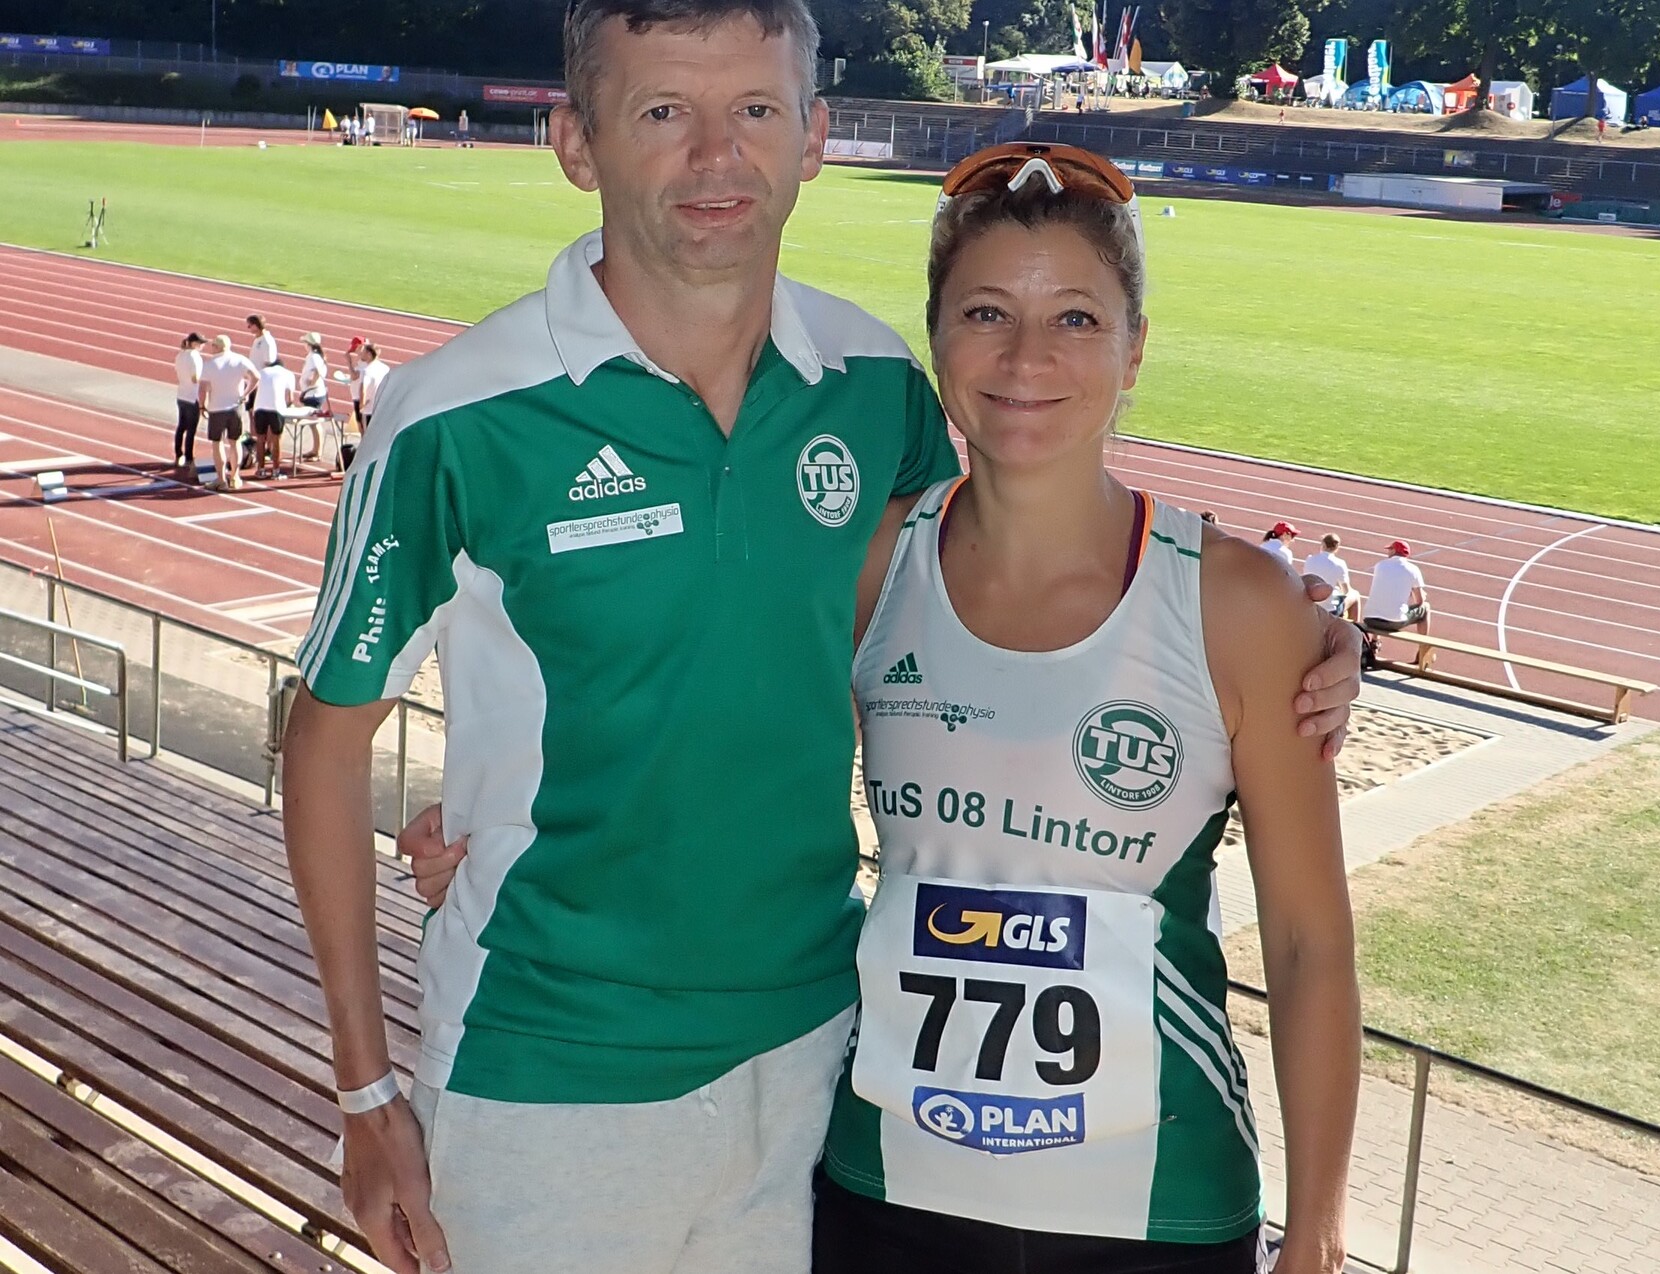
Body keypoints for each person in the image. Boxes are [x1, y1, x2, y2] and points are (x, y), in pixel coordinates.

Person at [281, 9, 1366, 1273]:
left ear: (815, 139)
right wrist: (367, 1087)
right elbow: (328, 732)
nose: (714, 158)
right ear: (576, 143)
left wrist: (1310, 629)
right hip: (550, 1074)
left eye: (754, 110)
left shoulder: (870, 387)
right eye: (662, 113)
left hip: (819, 1064)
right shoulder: (457, 416)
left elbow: (1000, 556)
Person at [197, 335, 257, 492]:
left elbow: (202, 388)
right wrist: (245, 394)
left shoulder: (209, 365)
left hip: (217, 408)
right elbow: (256, 377)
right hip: (235, 407)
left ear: (216, 347)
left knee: (217, 444)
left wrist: (202, 406)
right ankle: (235, 476)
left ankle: (221, 478)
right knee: (235, 442)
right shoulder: (239, 360)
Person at [1361, 539, 1430, 655]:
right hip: (1393, 621)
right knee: (1426, 608)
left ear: (1394, 551)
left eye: (1389, 549)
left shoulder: (1380, 565)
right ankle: (1423, 651)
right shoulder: (1413, 570)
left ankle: (1375, 641)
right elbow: (1420, 601)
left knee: (1381, 600)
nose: (1388, 552)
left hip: (1370, 619)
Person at [252, 358, 299, 479]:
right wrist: (288, 407)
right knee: (276, 439)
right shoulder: (288, 374)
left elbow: (255, 388)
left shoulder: (262, 371)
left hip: (259, 407)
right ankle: (276, 471)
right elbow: (290, 398)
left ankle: (261, 470)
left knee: (260, 438)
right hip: (276, 408)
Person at [1302, 532, 1360, 622]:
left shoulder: (1310, 559)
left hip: (1310, 605)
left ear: (1323, 545)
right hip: (1330, 609)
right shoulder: (1340, 564)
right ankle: (1354, 631)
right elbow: (1346, 591)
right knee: (1355, 595)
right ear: (1336, 548)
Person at [173, 332, 205, 477]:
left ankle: (178, 454)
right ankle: (189, 457)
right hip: (192, 397)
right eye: (200, 343)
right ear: (193, 343)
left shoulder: (180, 355)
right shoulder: (195, 357)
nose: (202, 345)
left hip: (181, 395)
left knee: (181, 426)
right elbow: (195, 378)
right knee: (191, 429)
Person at [352, 341, 388, 436]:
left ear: (369, 354)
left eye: (363, 352)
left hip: (369, 409)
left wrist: (361, 405)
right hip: (381, 406)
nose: (361, 354)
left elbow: (363, 388)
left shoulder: (367, 371)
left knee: (368, 435)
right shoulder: (385, 368)